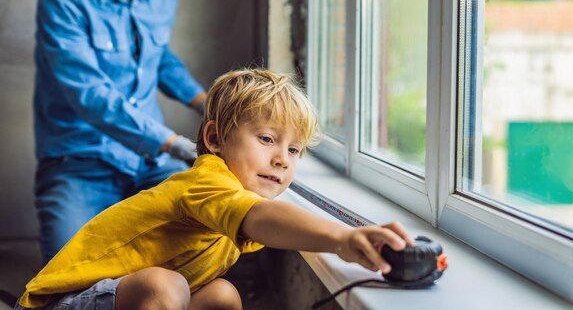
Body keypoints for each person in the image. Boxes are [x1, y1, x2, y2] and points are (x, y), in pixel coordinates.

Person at [16, 68, 414, 310]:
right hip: (60, 304)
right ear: (215, 138)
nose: (282, 159)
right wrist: (344, 238)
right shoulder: (207, 181)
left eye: (294, 150)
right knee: (165, 285)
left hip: (123, 301)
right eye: (266, 140)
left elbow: (270, 220)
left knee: (222, 296)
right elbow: (263, 219)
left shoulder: (236, 197)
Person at [33, 0, 205, 264]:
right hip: (79, 164)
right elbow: (91, 95)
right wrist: (175, 143)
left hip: (152, 164)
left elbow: (156, 58)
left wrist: (208, 102)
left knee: (201, 246)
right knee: (64, 283)